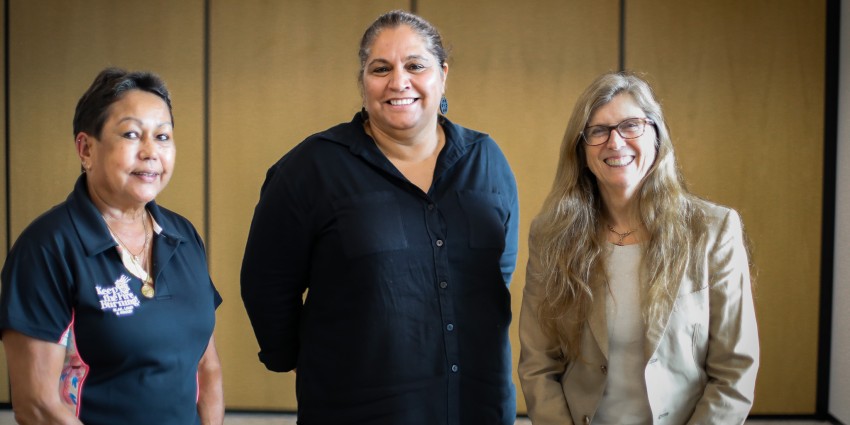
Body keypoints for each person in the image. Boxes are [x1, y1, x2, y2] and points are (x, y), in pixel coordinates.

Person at [241, 10, 519, 425]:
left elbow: (498, 270)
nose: (398, 82)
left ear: (442, 74)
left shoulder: (486, 159)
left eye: (415, 66)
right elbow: (267, 282)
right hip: (359, 407)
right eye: (380, 68)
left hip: (476, 404)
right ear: (363, 82)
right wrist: (299, 360)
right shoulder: (312, 168)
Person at [518, 71, 759, 424]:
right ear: (581, 150)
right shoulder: (552, 234)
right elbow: (539, 364)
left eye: (631, 125)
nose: (615, 143)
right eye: (598, 131)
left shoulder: (712, 230)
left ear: (657, 137)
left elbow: (735, 369)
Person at [0, 68, 224, 425]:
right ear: (86, 148)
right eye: (132, 135)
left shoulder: (183, 235)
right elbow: (37, 405)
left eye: (163, 136)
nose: (151, 152)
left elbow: (207, 367)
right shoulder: (47, 247)